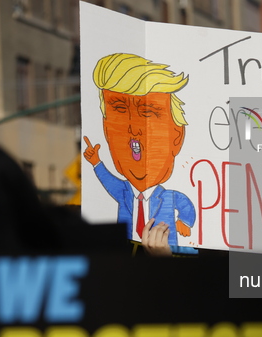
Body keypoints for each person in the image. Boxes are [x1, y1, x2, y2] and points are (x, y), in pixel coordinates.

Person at [83, 53, 196, 254]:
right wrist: (96, 163)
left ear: (177, 135)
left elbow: (185, 204)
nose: (134, 129)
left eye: (148, 112)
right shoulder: (123, 192)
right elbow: (108, 181)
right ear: (106, 130)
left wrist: (184, 222)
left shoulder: (169, 197)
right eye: (119, 109)